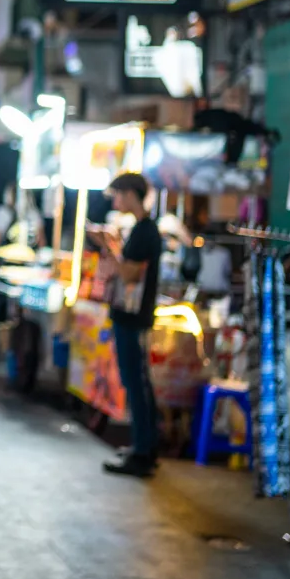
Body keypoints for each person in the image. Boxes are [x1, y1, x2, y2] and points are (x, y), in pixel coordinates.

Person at [99, 171, 163, 478]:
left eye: (117, 194)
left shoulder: (144, 232)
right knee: (139, 383)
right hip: (132, 317)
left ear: (130, 195)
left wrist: (108, 248)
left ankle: (142, 451)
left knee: (136, 384)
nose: (115, 200)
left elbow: (130, 274)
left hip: (132, 317)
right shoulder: (143, 230)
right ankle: (145, 447)